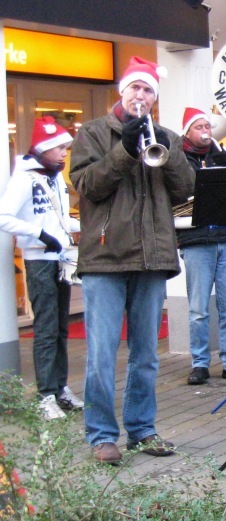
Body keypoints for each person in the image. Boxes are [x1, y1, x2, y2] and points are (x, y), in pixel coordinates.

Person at [70, 56, 193, 465]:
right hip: (104, 257)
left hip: (152, 257)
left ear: (154, 98)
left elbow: (187, 189)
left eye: (148, 91)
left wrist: (164, 144)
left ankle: (141, 430)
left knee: (146, 354)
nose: (141, 96)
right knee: (102, 354)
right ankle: (102, 435)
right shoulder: (92, 133)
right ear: (122, 91)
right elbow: (87, 186)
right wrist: (124, 149)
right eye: (135, 88)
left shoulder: (167, 136)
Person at [0, 117, 84, 420]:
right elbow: (4, 216)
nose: (64, 153)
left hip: (59, 258)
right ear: (44, 149)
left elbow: (58, 216)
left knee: (61, 326)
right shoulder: (24, 178)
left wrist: (82, 226)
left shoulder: (55, 177)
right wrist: (39, 235)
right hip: (38, 259)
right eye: (60, 148)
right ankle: (45, 394)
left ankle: (60, 387)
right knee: (46, 328)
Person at [175, 107, 226, 386]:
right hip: (196, 241)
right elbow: (182, 192)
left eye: (208, 126)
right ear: (188, 132)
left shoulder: (222, 154)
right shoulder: (179, 160)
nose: (206, 131)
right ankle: (200, 363)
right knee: (198, 309)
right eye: (199, 127)